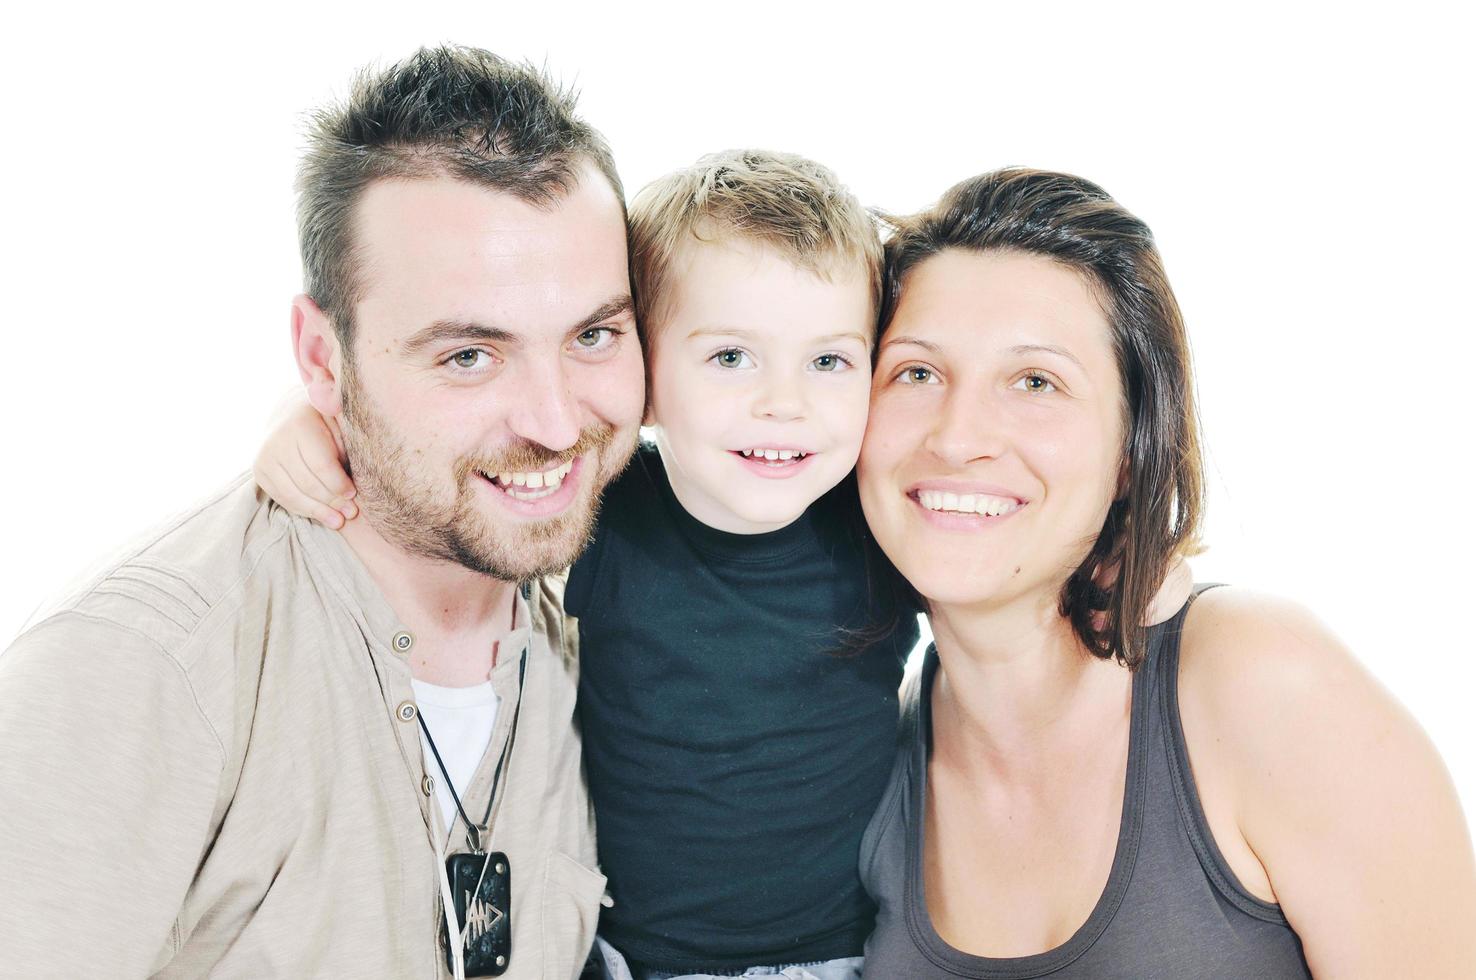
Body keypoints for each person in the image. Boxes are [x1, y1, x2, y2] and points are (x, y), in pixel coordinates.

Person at [0, 46, 642, 979]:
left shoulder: (613, 625)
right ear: (322, 358)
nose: (555, 422)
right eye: (469, 354)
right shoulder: (144, 667)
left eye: (593, 335)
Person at [855, 168, 1476, 977]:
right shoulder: (863, 759)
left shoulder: (1265, 687)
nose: (957, 433)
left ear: (1131, 450)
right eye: (917, 372)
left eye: (1035, 381)